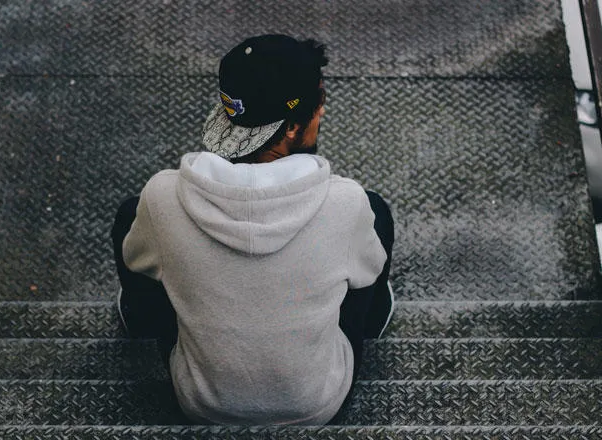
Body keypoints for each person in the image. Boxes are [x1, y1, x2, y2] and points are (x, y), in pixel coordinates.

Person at [111, 34, 394, 425]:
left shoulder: (161, 197)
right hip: (315, 403)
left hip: (200, 401)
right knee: (377, 215)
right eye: (320, 103)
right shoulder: (346, 204)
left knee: (132, 217)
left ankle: (137, 318)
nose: (322, 113)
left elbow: (135, 259)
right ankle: (376, 318)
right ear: (294, 127)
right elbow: (368, 271)